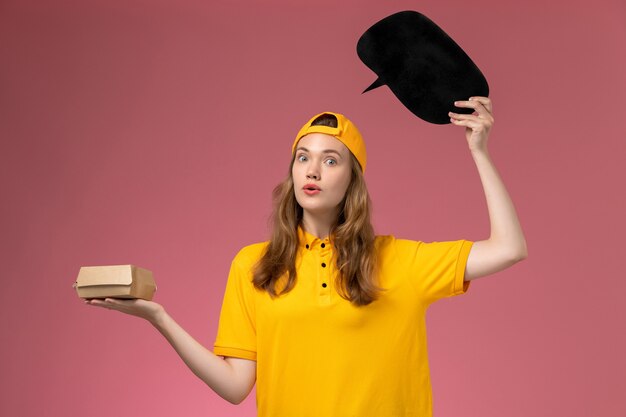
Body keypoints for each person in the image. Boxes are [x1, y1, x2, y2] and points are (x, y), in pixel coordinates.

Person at [86, 97, 527, 416]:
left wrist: (479, 152)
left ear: (353, 180)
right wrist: (158, 317)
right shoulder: (254, 266)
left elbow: (509, 248)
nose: (313, 170)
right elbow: (235, 386)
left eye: (331, 160)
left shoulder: (399, 260)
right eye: (303, 157)